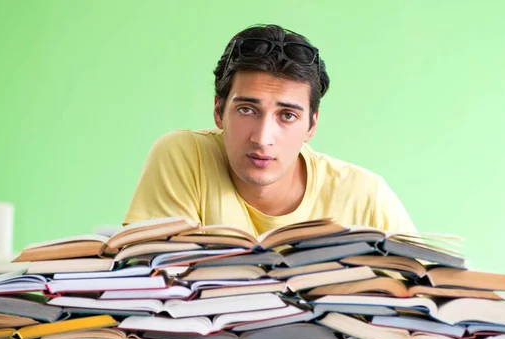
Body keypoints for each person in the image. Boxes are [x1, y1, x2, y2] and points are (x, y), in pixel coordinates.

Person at [124, 24, 416, 235]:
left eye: (287, 116)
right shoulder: (184, 156)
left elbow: (429, 298)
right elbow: (153, 287)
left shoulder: (365, 196)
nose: (262, 138)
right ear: (218, 112)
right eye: (247, 110)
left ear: (311, 125)